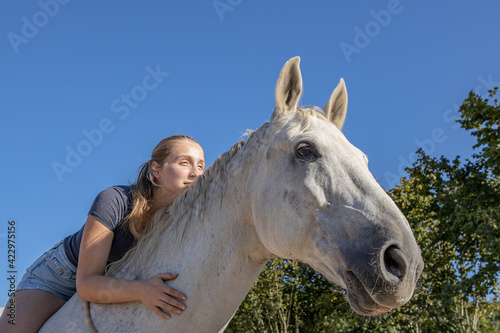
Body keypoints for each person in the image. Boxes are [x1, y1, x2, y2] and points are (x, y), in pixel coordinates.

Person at [0, 135, 206, 333]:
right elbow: (86, 284)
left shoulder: (181, 221)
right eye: (184, 163)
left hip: (118, 283)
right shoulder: (115, 199)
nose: (195, 173)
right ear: (156, 170)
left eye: (200, 166)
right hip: (60, 279)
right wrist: (143, 291)